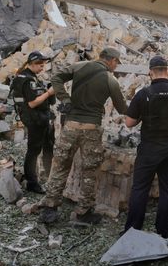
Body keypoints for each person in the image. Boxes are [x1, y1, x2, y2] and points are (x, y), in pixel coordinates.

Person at [37, 47, 128, 225]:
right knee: (90, 171)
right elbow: (122, 108)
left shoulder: (79, 66)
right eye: (117, 62)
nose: (116, 66)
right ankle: (83, 212)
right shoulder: (111, 80)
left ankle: (50, 210)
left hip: (70, 126)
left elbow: (56, 77)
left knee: (60, 167)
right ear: (111, 60)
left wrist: (65, 99)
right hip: (91, 129)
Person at [124, 56, 168, 238]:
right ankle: (163, 231)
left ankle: (132, 231)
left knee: (140, 188)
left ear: (150, 72)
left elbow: (129, 123)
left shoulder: (143, 94)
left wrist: (141, 116)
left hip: (149, 149)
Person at [10, 51, 56, 193]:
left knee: (45, 146)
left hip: (40, 118)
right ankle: (32, 183)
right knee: (33, 150)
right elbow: (32, 103)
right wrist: (48, 93)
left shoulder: (28, 76)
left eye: (44, 65)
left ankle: (46, 175)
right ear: (33, 64)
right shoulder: (28, 80)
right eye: (40, 65)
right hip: (35, 119)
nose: (42, 68)